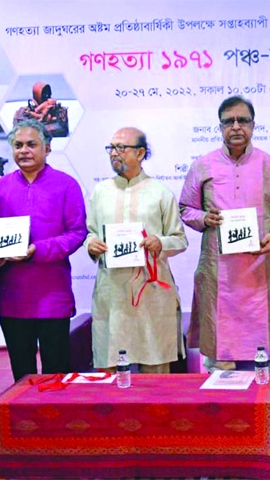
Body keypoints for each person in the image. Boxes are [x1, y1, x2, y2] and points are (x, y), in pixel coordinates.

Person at [179, 96, 270, 372]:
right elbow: (186, 208)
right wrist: (204, 217)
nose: (236, 127)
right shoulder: (202, 166)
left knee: (267, 359)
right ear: (219, 127)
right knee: (221, 360)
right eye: (228, 121)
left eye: (242, 120)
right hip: (220, 273)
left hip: (262, 270)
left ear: (253, 125)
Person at [0, 119, 87, 381]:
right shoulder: (0, 188)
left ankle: (58, 422)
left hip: (53, 295)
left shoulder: (66, 185)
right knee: (22, 375)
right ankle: (22, 423)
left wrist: (36, 249)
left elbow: (77, 233)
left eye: (31, 144)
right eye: (18, 145)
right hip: (13, 297)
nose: (24, 151)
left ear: (47, 148)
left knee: (57, 374)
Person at [86, 128, 187, 373]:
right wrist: (91, 244)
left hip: (151, 290)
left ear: (141, 153)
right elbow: (91, 233)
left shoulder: (160, 192)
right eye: (111, 148)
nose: (114, 154)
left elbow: (180, 239)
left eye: (121, 148)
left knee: (155, 370)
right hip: (112, 293)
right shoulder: (100, 192)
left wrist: (160, 242)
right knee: (109, 371)